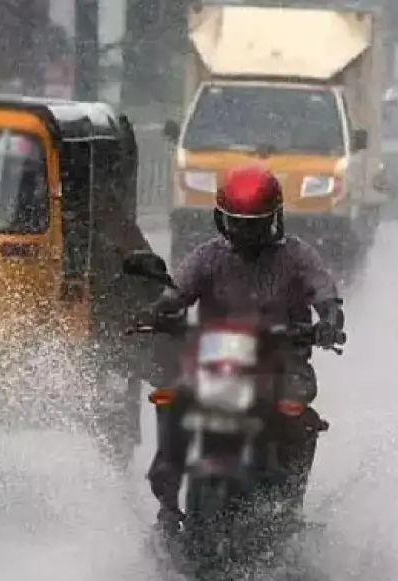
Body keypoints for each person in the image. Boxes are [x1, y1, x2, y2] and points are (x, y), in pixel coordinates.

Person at [142, 164, 346, 534]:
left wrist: (329, 321)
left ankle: (289, 507)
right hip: (216, 361)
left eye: (254, 224)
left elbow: (324, 292)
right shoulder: (208, 257)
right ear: (221, 219)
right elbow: (178, 291)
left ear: (274, 219)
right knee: (172, 399)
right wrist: (160, 309)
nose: (245, 232)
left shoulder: (297, 256)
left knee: (298, 412)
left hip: (282, 361)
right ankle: (167, 505)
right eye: (237, 223)